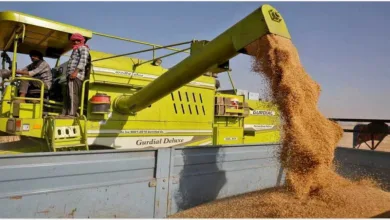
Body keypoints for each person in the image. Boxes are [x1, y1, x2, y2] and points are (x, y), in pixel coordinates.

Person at [61, 33, 90, 116]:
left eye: (78, 40)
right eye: (74, 41)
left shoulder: (83, 48)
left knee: (72, 94)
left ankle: (72, 113)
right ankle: (65, 113)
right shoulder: (75, 49)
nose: (76, 42)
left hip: (76, 75)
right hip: (71, 75)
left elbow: (83, 61)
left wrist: (75, 72)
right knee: (67, 95)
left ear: (82, 41)